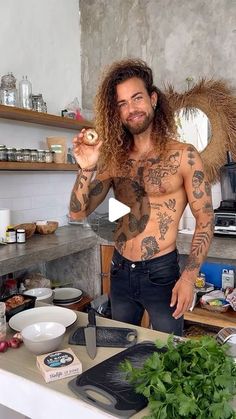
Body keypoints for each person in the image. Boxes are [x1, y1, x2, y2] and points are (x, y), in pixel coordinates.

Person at [69, 58, 214, 336]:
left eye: (136, 98)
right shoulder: (114, 160)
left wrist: (188, 277)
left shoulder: (184, 155)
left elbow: (205, 218)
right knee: (121, 352)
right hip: (121, 269)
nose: (131, 109)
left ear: (153, 99)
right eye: (122, 103)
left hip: (162, 273)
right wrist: (86, 168)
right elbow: (78, 212)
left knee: (166, 354)